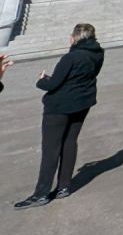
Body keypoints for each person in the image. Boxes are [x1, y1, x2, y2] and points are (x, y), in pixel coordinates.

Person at [14, 23, 103, 209]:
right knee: (70, 142)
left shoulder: (70, 58)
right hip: (82, 102)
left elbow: (53, 84)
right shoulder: (98, 53)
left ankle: (41, 194)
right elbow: (79, 78)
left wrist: (41, 80)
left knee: (50, 149)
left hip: (60, 107)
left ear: (75, 37)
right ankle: (64, 186)